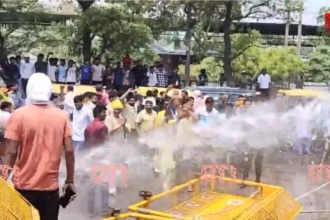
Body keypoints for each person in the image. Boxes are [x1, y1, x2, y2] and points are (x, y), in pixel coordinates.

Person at [1, 73, 75, 220]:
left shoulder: (18, 115)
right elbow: (69, 151)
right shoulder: (62, 116)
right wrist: (70, 181)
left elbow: (11, 152)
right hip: (50, 189)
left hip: (23, 189)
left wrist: (3, 180)